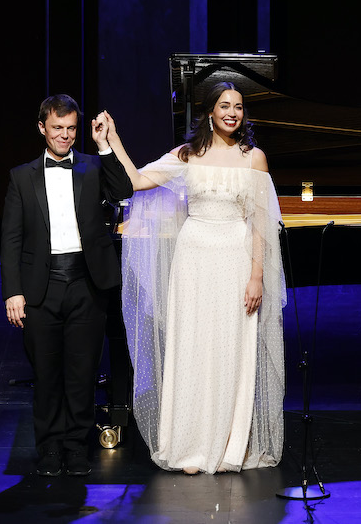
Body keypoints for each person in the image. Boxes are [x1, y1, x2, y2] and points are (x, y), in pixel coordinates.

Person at [93, 81, 286, 474]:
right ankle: (191, 444)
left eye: (238, 106)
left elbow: (261, 226)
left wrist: (256, 277)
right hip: (194, 258)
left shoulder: (255, 159)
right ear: (210, 112)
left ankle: (229, 444)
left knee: (231, 348)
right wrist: (112, 140)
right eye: (224, 105)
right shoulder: (188, 155)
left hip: (235, 258)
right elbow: (137, 181)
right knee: (193, 346)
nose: (232, 112)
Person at [0, 94, 133, 476]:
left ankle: (76, 446)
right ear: (42, 128)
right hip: (40, 287)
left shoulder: (92, 168)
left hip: (86, 285)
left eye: (71, 128)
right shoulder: (21, 176)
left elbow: (123, 190)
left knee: (82, 372)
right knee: (46, 374)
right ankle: (49, 449)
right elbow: (10, 238)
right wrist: (13, 291)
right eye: (57, 128)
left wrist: (105, 145)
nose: (64, 136)